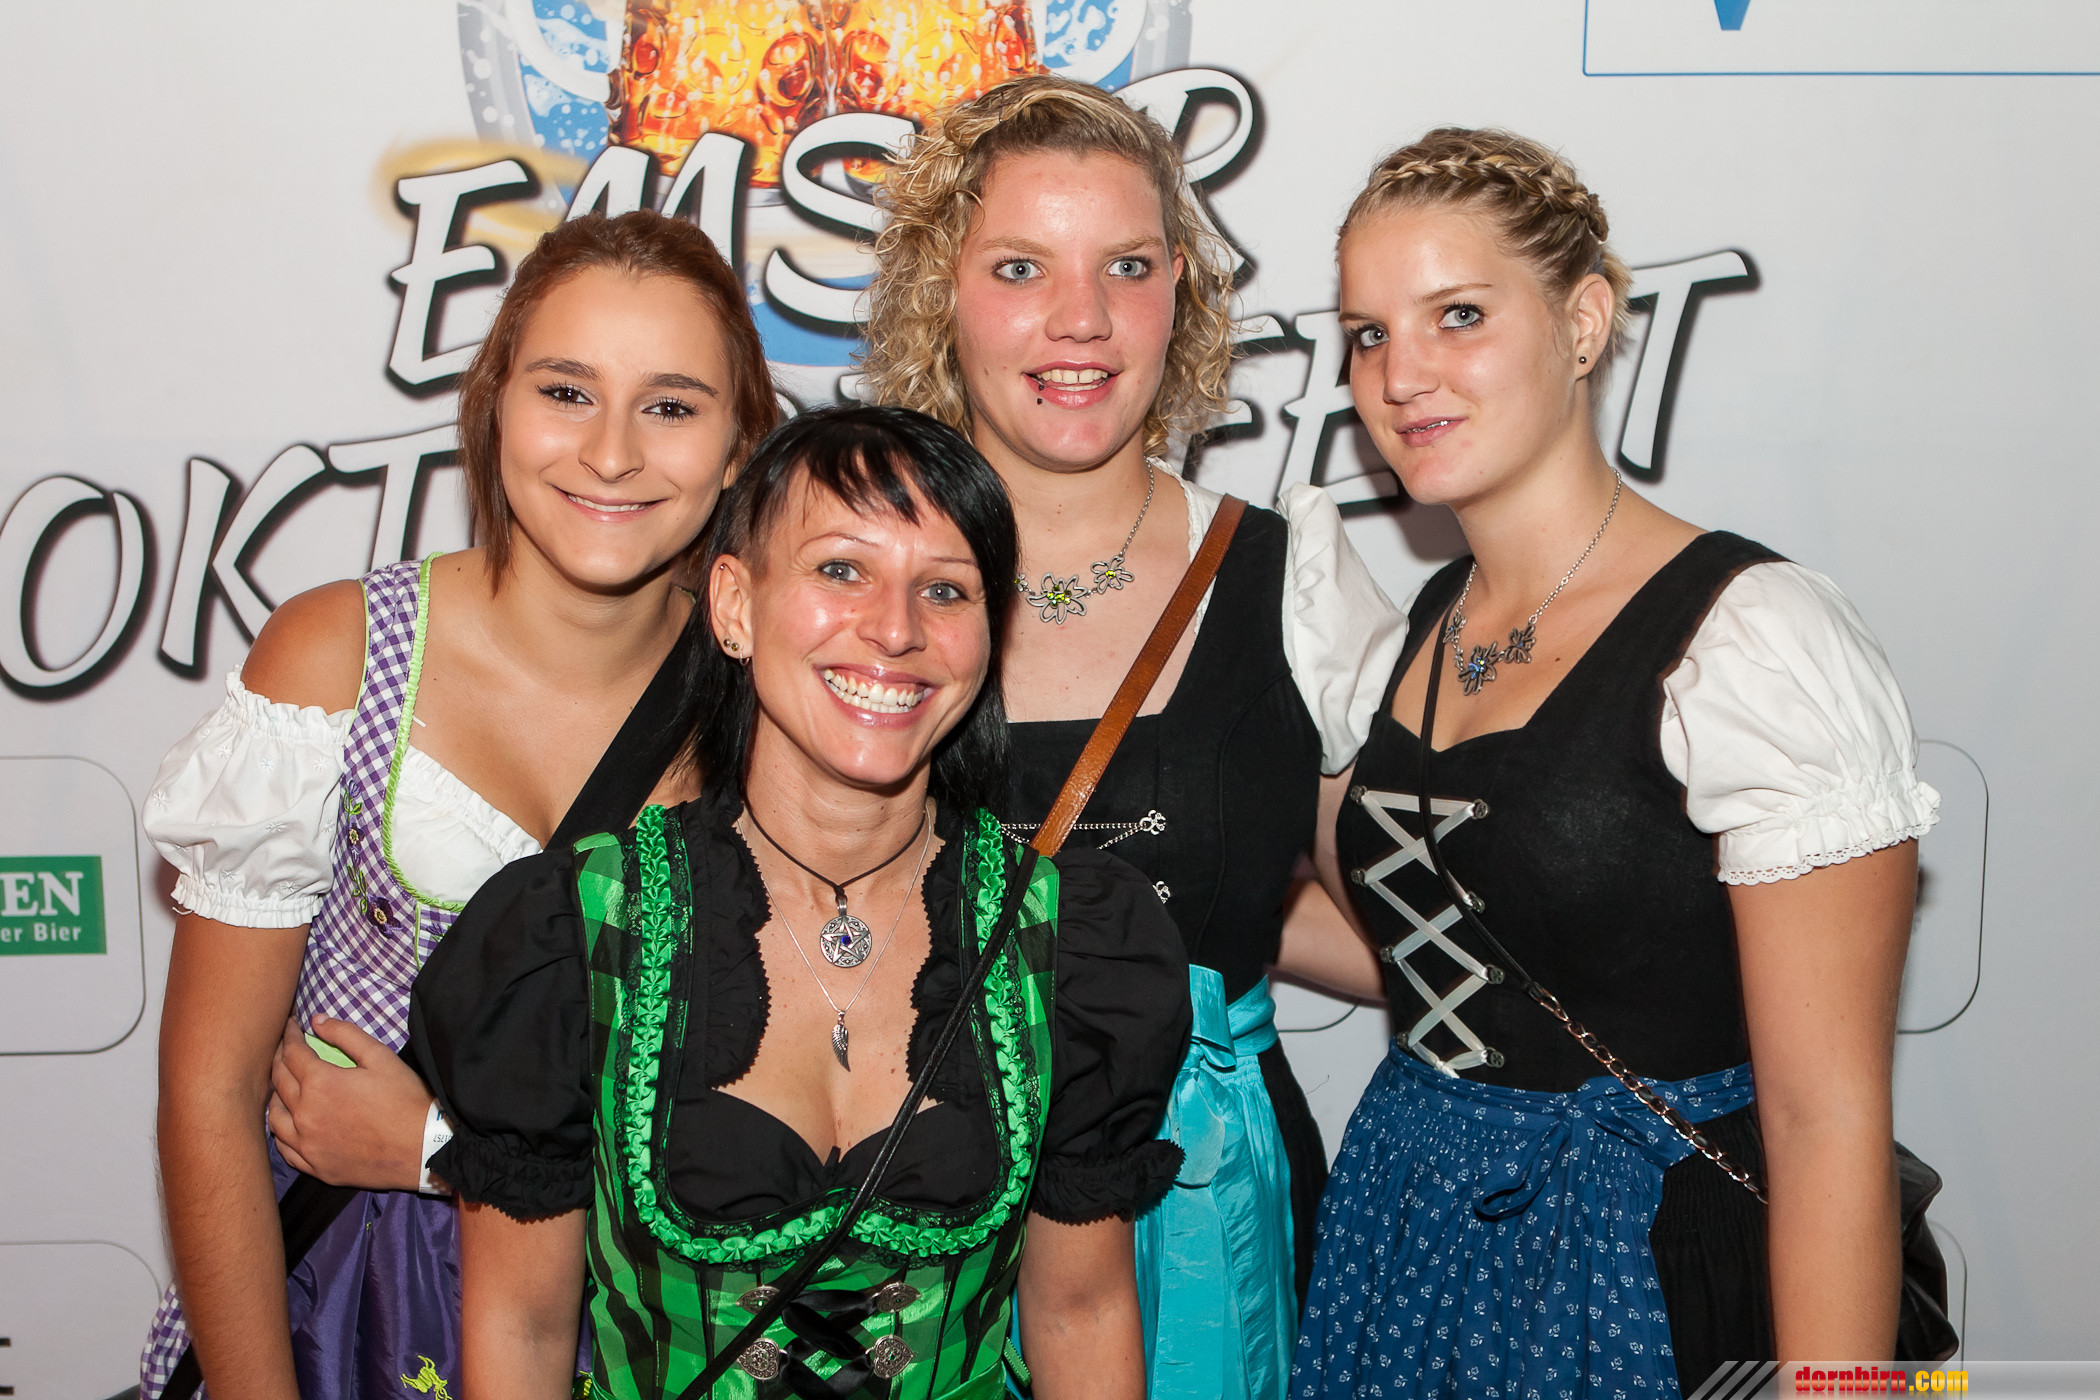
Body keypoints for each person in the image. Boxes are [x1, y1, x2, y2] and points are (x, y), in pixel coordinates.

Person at [1289, 128, 1940, 1398]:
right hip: (1410, 1246)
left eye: (1458, 315)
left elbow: (1825, 1124)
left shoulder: (1749, 637)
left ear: (1582, 324)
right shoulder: (1423, 623)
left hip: (1653, 1257)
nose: (1401, 375)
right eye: (1368, 334)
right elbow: (1442, 953)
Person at [407, 404, 1189, 1399]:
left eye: (945, 589)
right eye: (841, 569)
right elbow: (521, 1329)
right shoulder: (574, 932)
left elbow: (1081, 1312)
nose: (896, 629)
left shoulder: (1070, 942)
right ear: (734, 605)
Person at [138, 209, 779, 1400]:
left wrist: (439, 1152)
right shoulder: (337, 654)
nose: (611, 453)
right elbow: (210, 1095)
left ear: (742, 445)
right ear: (492, 405)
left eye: (672, 405)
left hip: (645, 1333)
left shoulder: (772, 705)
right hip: (345, 1313)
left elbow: (775, 1136)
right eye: (566, 391)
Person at [858, 73, 1404, 1400]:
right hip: (908, 1204)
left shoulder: (1287, 575)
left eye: (1128, 265)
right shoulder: (850, 579)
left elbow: (1401, 939)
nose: (1082, 318)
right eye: (1021, 267)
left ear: (1182, 293)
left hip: (1207, 1205)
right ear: (941, 292)